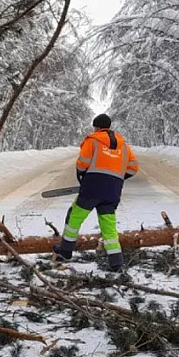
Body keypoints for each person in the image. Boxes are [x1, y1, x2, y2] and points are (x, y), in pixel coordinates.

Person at [53, 114, 139, 271]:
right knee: (108, 225)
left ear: (97, 127)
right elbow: (133, 168)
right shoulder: (124, 146)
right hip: (113, 191)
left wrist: (82, 175)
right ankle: (116, 262)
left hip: (92, 187)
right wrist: (118, 178)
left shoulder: (92, 140)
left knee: (75, 216)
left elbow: (83, 163)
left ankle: (65, 251)